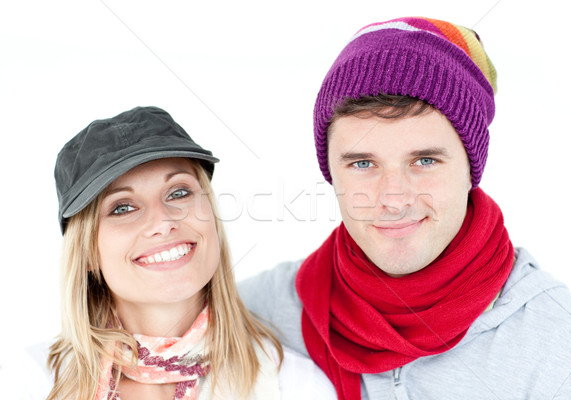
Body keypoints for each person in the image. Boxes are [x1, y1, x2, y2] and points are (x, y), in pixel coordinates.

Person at [239, 16, 571, 399]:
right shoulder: (261, 311)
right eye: (363, 164)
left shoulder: (568, 353)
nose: (394, 199)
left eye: (424, 161)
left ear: (471, 167)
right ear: (331, 171)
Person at [0, 106, 335, 399]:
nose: (162, 221)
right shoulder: (31, 383)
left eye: (178, 192)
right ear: (87, 252)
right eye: (122, 207)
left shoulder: (292, 385)